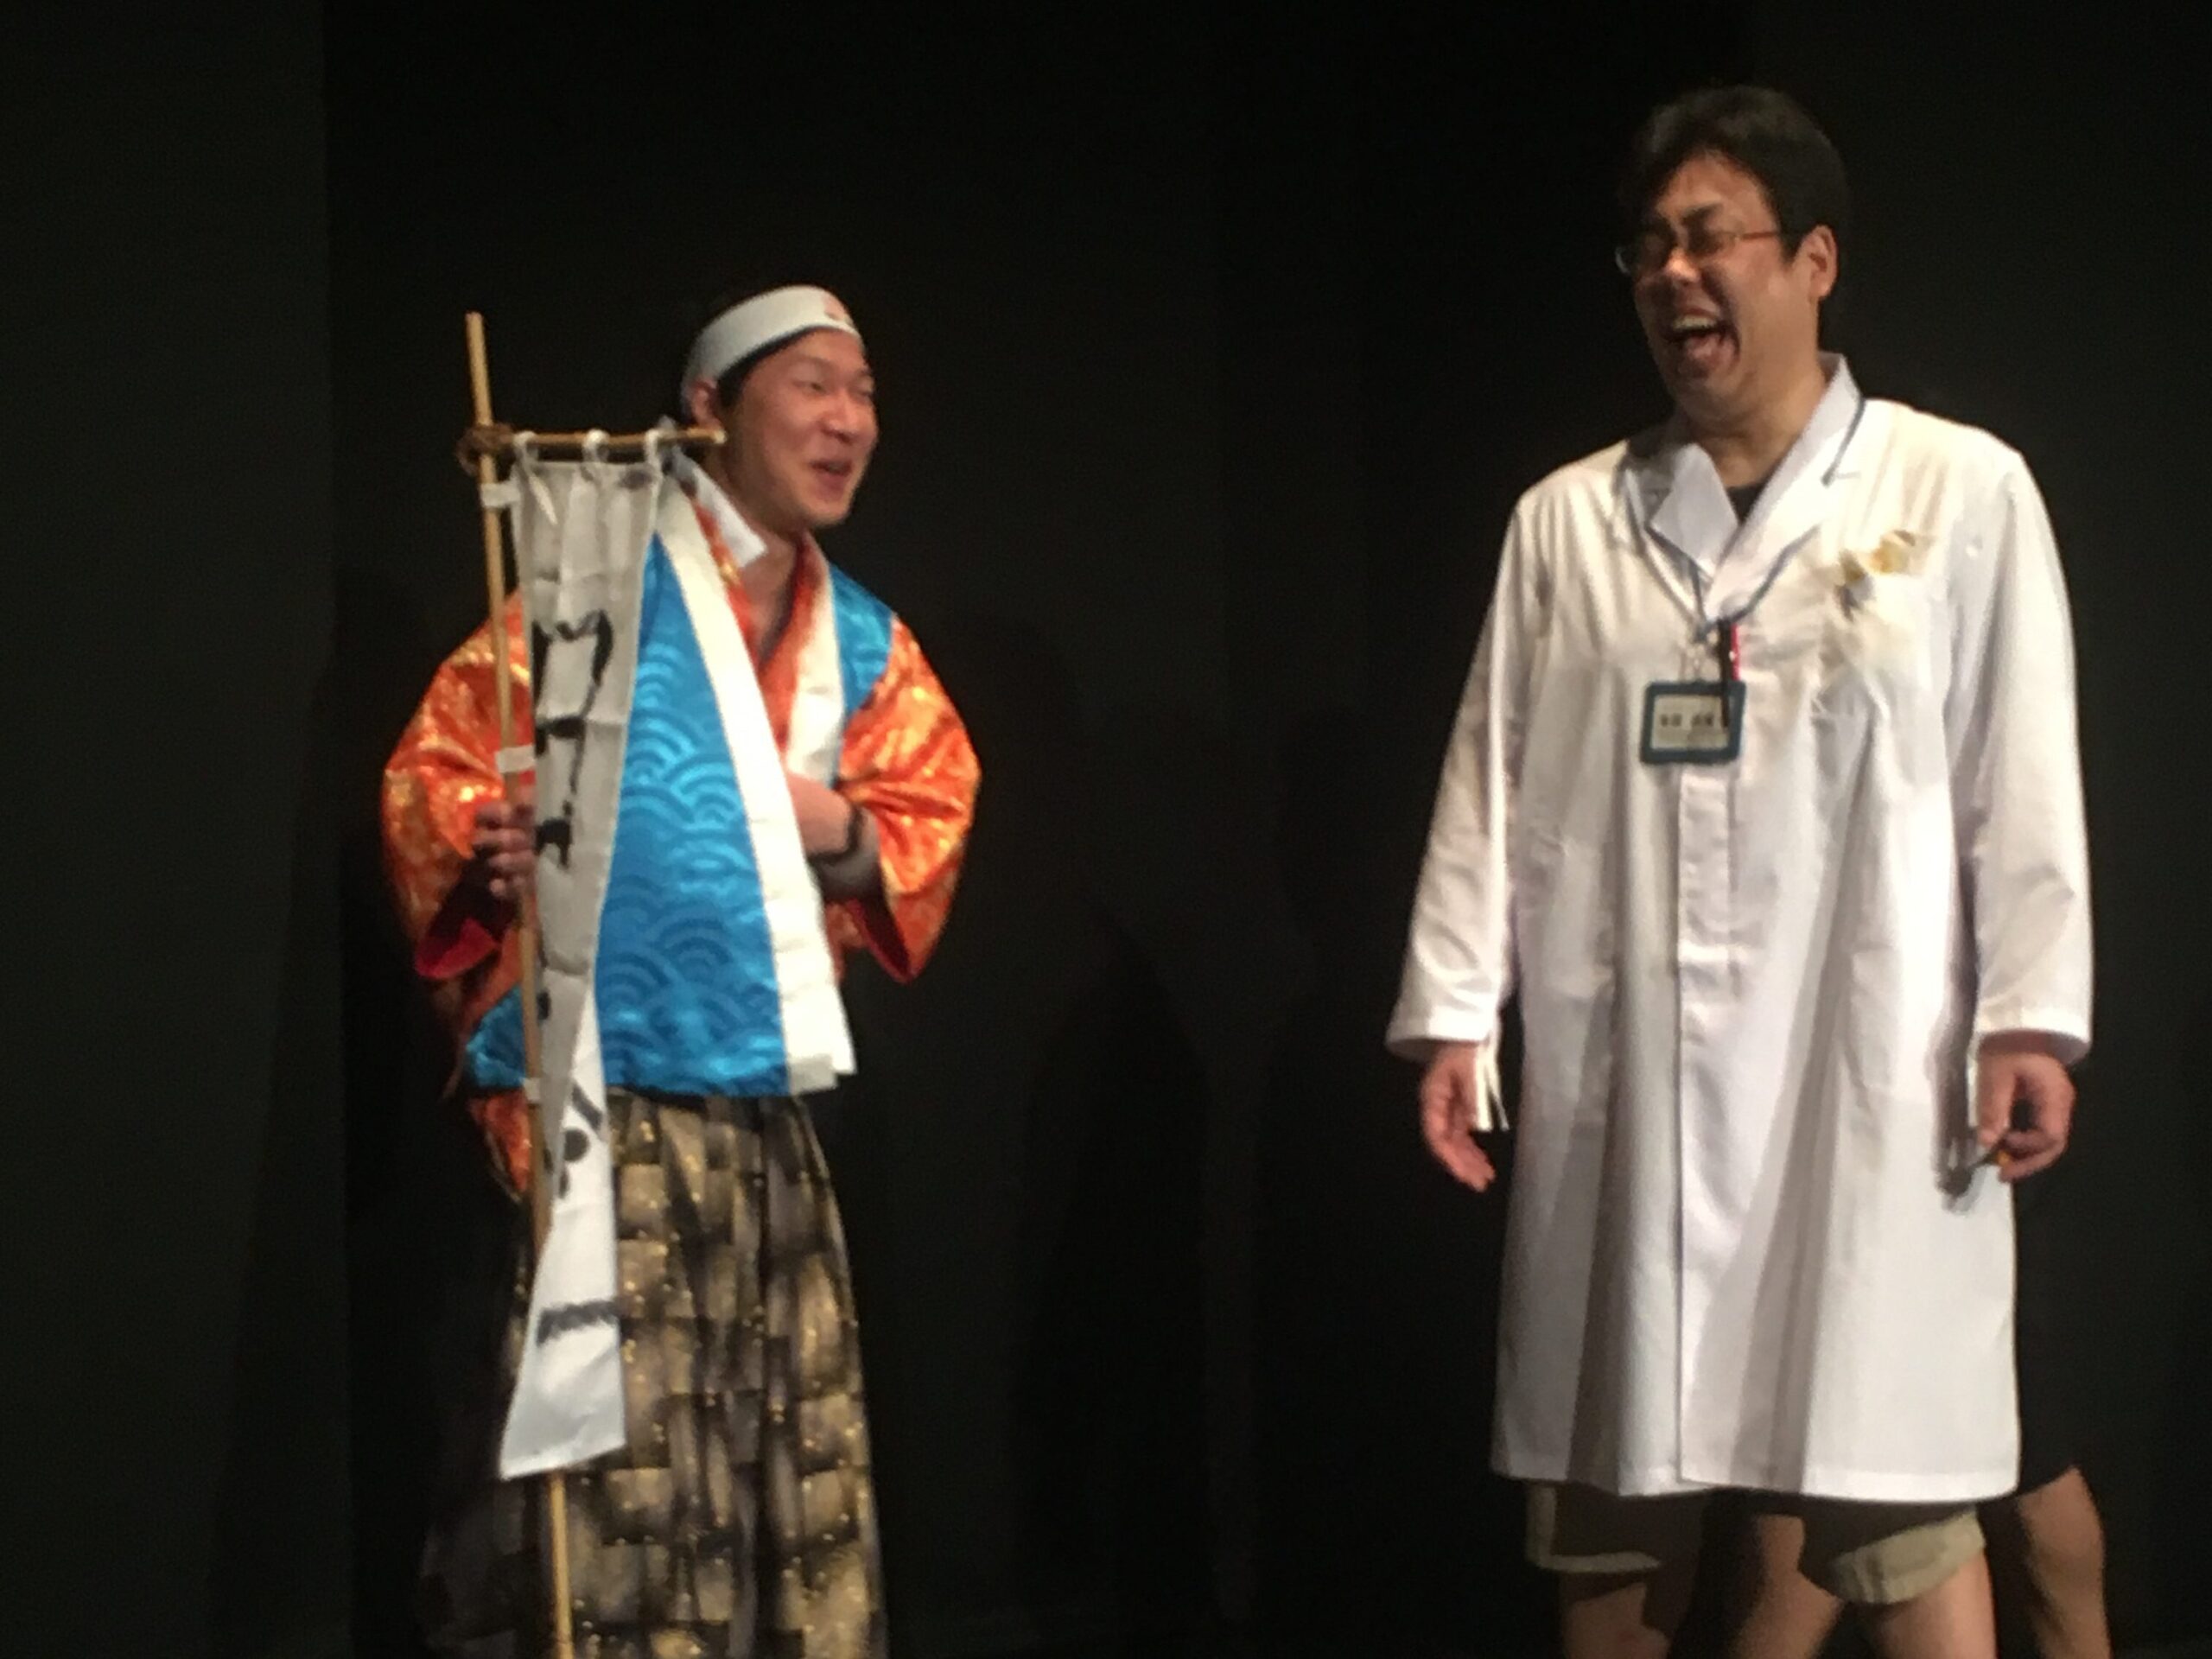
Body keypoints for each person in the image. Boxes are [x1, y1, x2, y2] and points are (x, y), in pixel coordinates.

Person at [1387, 86, 2091, 1659]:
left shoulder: (1959, 493)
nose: (1673, 276)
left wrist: (2029, 1017)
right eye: (1647, 248)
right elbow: (1491, 779)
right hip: (1632, 1083)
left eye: (1710, 238)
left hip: (1868, 1071)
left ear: (1815, 260)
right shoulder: (1569, 521)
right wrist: (1455, 1013)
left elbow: (2021, 775)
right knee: (1612, 1505)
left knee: (1897, 1489)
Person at [384, 283, 980, 1657]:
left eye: (864, 392)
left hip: (769, 1117)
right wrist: (491, 845)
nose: (848, 421)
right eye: (813, 386)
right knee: (627, 1483)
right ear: (710, 408)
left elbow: (926, 816)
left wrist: (840, 833)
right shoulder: (590, 601)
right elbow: (442, 773)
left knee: (789, 1466)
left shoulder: (864, 642)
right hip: (610, 1107)